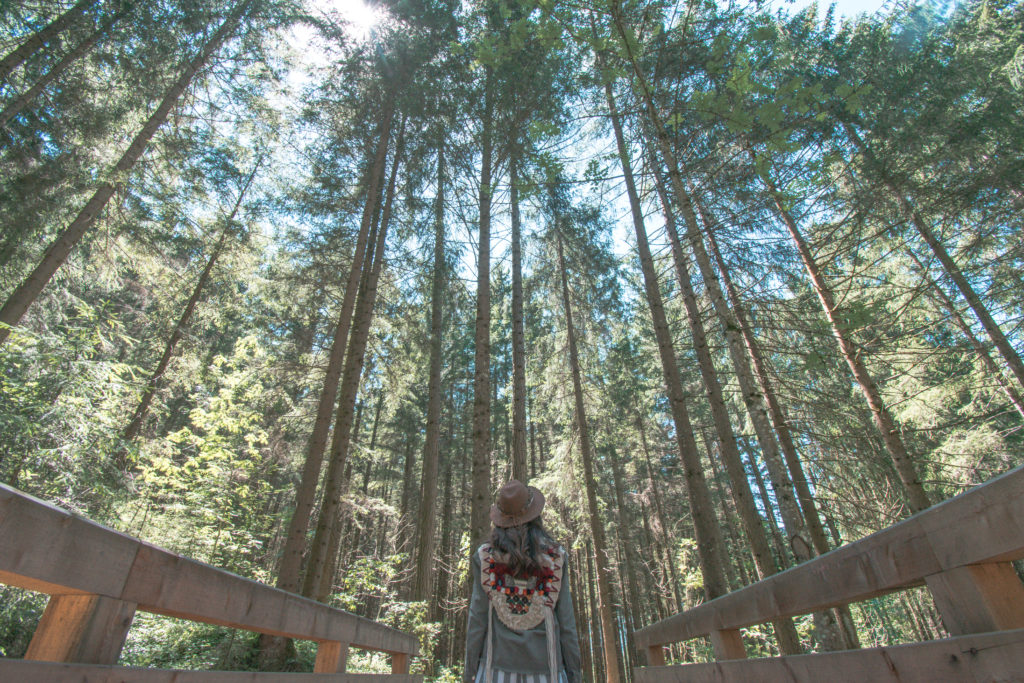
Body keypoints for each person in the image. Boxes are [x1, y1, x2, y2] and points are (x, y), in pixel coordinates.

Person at [464, 480, 583, 683]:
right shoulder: (555, 558)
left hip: (494, 672)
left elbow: (478, 619)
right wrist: (574, 674)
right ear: (535, 516)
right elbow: (567, 623)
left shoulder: (485, 558)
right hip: (548, 672)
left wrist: (469, 674)